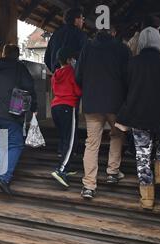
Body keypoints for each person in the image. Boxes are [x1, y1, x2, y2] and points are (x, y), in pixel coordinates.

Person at [75, 27, 131, 199]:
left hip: (92, 103)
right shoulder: (122, 49)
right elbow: (129, 76)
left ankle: (89, 186)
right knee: (117, 136)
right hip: (115, 103)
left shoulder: (87, 48)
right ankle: (113, 172)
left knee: (92, 144)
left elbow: (78, 75)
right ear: (113, 34)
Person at [117, 27, 160, 210]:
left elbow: (125, 90)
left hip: (138, 117)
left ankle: (147, 199)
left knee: (143, 157)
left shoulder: (131, 64)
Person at [0, 44, 38, 196]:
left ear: (4, 53)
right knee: (16, 144)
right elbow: (29, 86)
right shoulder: (19, 67)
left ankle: (2, 174)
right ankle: (4, 179)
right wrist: (34, 107)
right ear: (17, 55)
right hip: (9, 112)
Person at [50, 48, 82, 188]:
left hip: (55, 107)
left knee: (64, 137)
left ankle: (66, 167)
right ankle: (61, 169)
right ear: (69, 60)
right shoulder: (71, 71)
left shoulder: (55, 73)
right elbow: (77, 90)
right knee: (71, 140)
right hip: (68, 106)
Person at [44, 7, 88, 73]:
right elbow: (85, 56)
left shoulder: (55, 34)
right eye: (82, 18)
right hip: (73, 77)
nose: (83, 21)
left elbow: (46, 58)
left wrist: (56, 71)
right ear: (76, 20)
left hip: (57, 78)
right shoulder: (80, 34)